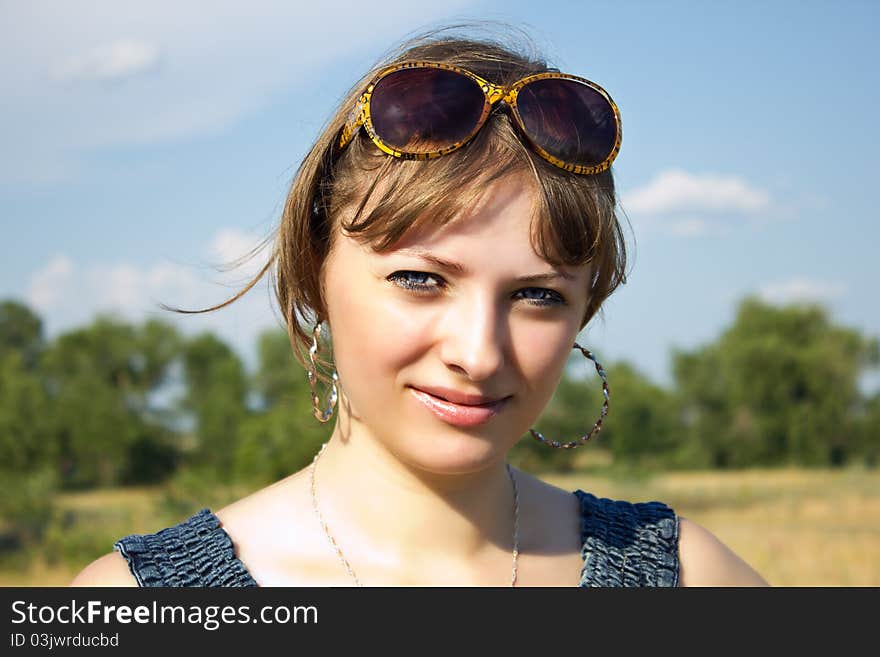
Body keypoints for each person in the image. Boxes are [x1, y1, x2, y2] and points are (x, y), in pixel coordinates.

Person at [71, 24, 768, 587]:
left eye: (536, 295)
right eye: (420, 279)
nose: (478, 352)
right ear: (315, 270)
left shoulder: (684, 574)